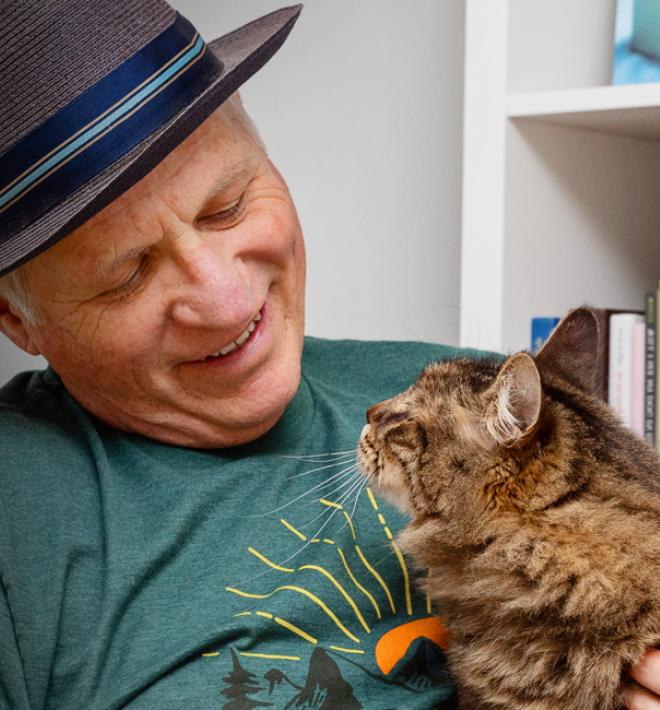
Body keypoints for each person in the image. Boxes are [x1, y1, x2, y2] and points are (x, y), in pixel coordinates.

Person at [0, 2, 657, 708]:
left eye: (226, 206)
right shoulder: (22, 504)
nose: (225, 299)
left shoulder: (474, 407)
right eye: (127, 273)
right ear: (18, 320)